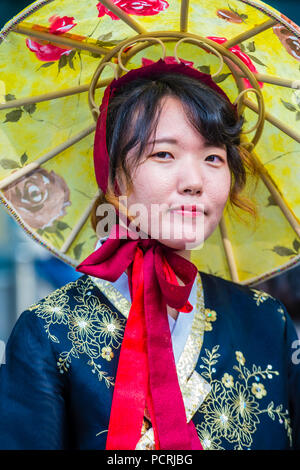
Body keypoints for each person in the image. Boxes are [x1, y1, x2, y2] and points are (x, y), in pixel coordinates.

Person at [0, 59, 299, 451]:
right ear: (116, 180)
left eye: (213, 157)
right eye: (163, 154)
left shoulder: (265, 319)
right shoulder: (49, 333)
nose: (194, 181)